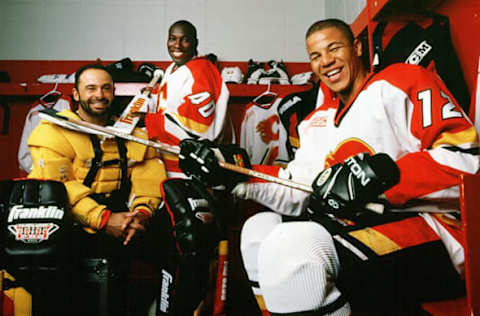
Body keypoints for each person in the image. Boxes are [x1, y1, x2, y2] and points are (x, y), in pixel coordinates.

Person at [177, 18, 480, 315]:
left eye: (334, 49)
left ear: (357, 48)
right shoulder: (316, 121)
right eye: (316, 56)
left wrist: (386, 175)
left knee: (293, 249)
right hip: (362, 226)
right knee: (257, 230)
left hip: (438, 232)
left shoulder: (403, 82)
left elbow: (469, 160)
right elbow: (298, 189)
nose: (327, 61)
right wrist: (232, 174)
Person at [27, 64, 170, 315]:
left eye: (106, 88)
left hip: (122, 221)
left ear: (114, 92)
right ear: (76, 94)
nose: (99, 95)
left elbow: (149, 181)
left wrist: (141, 215)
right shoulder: (52, 131)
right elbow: (59, 187)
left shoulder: (132, 134)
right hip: (65, 223)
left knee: (178, 241)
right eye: (90, 88)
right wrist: (104, 219)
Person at [144, 20, 232, 178]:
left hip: (194, 164)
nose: (177, 45)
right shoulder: (174, 68)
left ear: (195, 43)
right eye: (172, 39)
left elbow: (199, 132)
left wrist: (148, 121)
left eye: (184, 40)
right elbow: (169, 105)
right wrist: (150, 100)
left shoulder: (201, 72)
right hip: (170, 157)